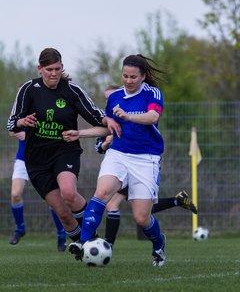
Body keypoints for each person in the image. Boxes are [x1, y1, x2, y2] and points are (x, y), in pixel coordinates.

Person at [64, 54, 171, 267]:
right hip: (119, 153)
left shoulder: (152, 93)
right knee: (102, 193)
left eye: (133, 77)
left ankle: (159, 243)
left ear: (142, 76)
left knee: (141, 218)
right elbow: (109, 128)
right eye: (125, 76)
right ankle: (83, 242)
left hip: (146, 158)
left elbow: (153, 117)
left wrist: (128, 116)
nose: (128, 80)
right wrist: (80, 133)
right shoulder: (114, 98)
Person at [7, 47, 120, 248]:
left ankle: (91, 239)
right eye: (49, 69)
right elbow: (11, 123)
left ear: (62, 67)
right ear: (39, 69)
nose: (53, 73)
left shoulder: (72, 90)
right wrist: (22, 121)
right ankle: (83, 246)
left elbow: (94, 114)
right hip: (36, 158)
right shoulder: (28, 89)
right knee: (63, 213)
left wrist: (106, 120)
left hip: (64, 151)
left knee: (68, 192)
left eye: (57, 69)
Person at [96, 86, 198, 247]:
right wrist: (106, 144)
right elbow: (98, 148)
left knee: (116, 205)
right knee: (141, 211)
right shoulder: (109, 122)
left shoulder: (134, 112)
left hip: (140, 163)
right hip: (119, 167)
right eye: (106, 99)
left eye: (110, 97)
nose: (110, 102)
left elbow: (150, 121)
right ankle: (176, 201)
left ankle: (108, 245)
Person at [8, 131, 67, 251]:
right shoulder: (21, 112)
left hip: (44, 161)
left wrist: (30, 135)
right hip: (23, 159)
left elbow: (53, 134)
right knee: (15, 194)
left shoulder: (45, 112)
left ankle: (61, 234)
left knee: (53, 199)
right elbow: (11, 129)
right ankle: (20, 228)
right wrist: (16, 131)